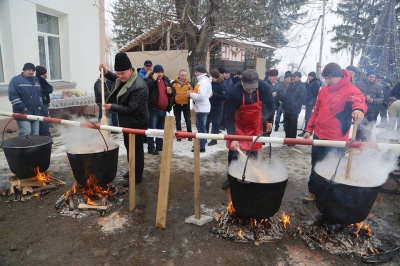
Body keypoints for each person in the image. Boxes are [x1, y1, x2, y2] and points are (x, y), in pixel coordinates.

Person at [302, 63, 367, 203]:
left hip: (337, 138)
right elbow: (316, 111)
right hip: (319, 135)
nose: (327, 81)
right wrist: (309, 129)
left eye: (330, 78)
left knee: (333, 166)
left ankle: (328, 194)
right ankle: (313, 191)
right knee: (316, 164)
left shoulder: (351, 90)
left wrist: (359, 109)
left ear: (339, 76)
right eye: (325, 78)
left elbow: (359, 100)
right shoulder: (323, 91)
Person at [100, 52, 149, 184]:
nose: (120, 76)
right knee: (129, 148)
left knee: (136, 151)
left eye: (122, 73)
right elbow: (116, 79)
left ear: (130, 69)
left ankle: (136, 177)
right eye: (118, 73)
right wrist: (106, 72)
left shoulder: (138, 86)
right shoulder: (126, 79)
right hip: (127, 122)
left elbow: (132, 109)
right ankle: (132, 169)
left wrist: (112, 107)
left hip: (137, 123)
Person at [222, 69, 274, 189]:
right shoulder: (234, 92)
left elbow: (269, 104)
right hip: (239, 125)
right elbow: (228, 116)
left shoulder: (263, 87)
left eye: (253, 87)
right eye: (248, 87)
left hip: (255, 125)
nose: (251, 90)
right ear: (242, 82)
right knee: (233, 152)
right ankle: (231, 179)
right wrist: (233, 136)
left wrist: (269, 120)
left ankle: (252, 176)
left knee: (253, 151)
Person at [145, 64, 176, 155]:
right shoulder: (149, 80)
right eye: (158, 72)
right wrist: (153, 80)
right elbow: (145, 87)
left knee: (161, 130)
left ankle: (159, 146)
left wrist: (171, 92)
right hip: (153, 109)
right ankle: (151, 147)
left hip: (163, 110)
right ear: (154, 72)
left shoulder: (165, 80)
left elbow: (174, 91)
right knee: (152, 129)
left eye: (162, 72)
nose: (160, 74)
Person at [8, 63, 43, 136]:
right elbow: (12, 95)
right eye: (29, 70)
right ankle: (21, 146)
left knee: (35, 133)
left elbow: (39, 93)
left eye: (33, 70)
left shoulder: (35, 80)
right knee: (26, 132)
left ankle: (32, 147)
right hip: (22, 112)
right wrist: (22, 107)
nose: (31, 72)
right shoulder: (16, 80)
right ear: (24, 70)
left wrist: (40, 104)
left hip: (35, 112)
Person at [188, 64, 212, 152]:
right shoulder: (205, 81)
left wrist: (190, 94)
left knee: (201, 128)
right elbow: (208, 94)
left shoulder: (203, 82)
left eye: (196, 72)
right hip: (202, 107)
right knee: (201, 126)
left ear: (200, 72)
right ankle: (203, 142)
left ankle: (201, 146)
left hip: (202, 108)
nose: (195, 73)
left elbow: (201, 96)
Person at [355, 70, 384, 141]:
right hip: (360, 109)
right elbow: (354, 93)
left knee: (368, 127)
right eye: (370, 77)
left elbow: (381, 98)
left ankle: (366, 143)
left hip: (371, 110)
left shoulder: (378, 87)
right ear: (367, 77)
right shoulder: (359, 84)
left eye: (373, 77)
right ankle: (356, 141)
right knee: (358, 126)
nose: (371, 78)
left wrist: (373, 100)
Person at [281, 71, 306, 143]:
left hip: (294, 110)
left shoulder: (302, 87)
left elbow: (301, 99)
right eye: (293, 76)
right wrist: (283, 106)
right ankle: (287, 139)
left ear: (299, 77)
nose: (293, 78)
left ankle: (292, 140)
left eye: (295, 77)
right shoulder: (290, 85)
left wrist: (294, 105)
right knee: (286, 124)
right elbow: (286, 96)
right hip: (287, 108)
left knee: (293, 125)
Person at [206, 69, 227, 146]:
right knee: (206, 122)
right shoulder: (209, 83)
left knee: (215, 123)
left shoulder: (221, 85)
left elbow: (224, 96)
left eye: (210, 75)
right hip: (208, 105)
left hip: (217, 106)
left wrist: (213, 94)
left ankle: (214, 139)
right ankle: (204, 138)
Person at [171, 69, 193, 141]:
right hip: (176, 104)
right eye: (182, 75)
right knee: (178, 121)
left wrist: (191, 93)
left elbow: (194, 92)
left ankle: (190, 135)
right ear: (179, 75)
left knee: (188, 120)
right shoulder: (174, 83)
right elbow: (171, 93)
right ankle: (179, 136)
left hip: (186, 104)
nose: (183, 77)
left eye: (185, 75)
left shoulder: (189, 83)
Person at [298, 71, 321, 137]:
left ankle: (307, 130)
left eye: (310, 76)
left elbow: (314, 93)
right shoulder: (311, 82)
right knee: (307, 116)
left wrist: (307, 98)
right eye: (308, 76)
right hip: (309, 101)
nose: (309, 77)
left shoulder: (316, 83)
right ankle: (306, 129)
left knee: (308, 116)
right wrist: (306, 83)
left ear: (312, 76)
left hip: (311, 101)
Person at [35, 66, 53, 136]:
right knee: (44, 119)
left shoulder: (39, 79)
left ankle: (43, 134)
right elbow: (49, 89)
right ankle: (45, 135)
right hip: (43, 102)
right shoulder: (40, 80)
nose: (46, 74)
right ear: (43, 73)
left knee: (42, 119)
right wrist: (47, 91)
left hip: (42, 102)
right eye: (45, 72)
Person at [263, 69, 279, 133]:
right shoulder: (266, 84)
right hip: (266, 111)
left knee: (269, 128)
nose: (276, 78)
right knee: (266, 128)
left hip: (272, 109)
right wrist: (270, 95)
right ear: (270, 76)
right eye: (275, 76)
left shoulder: (274, 84)